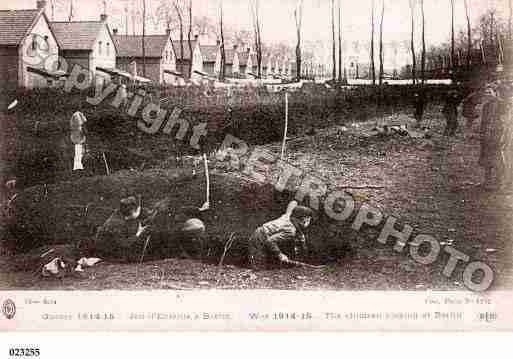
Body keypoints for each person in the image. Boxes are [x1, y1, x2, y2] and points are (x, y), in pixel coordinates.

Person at [93, 196, 206, 262]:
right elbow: (124, 244)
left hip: (123, 241)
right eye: (138, 210)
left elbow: (150, 213)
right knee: (151, 256)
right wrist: (138, 233)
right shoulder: (115, 223)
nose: (141, 210)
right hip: (111, 252)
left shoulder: (123, 212)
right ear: (133, 212)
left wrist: (198, 209)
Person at [248, 201, 313, 270]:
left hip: (260, 232)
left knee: (262, 260)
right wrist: (280, 255)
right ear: (303, 219)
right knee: (259, 264)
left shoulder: (289, 215)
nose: (309, 222)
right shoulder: (290, 231)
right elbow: (270, 241)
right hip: (260, 238)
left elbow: (293, 203)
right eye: (308, 220)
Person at [479, 85, 504, 188]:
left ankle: (499, 182)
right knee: (486, 157)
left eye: (489, 92)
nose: (487, 95)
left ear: (495, 92)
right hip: (487, 135)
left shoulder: (502, 104)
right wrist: (482, 133)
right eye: (486, 93)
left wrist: (502, 135)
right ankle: (487, 181)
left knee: (497, 158)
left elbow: (505, 120)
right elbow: (483, 122)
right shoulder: (486, 106)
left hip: (497, 134)